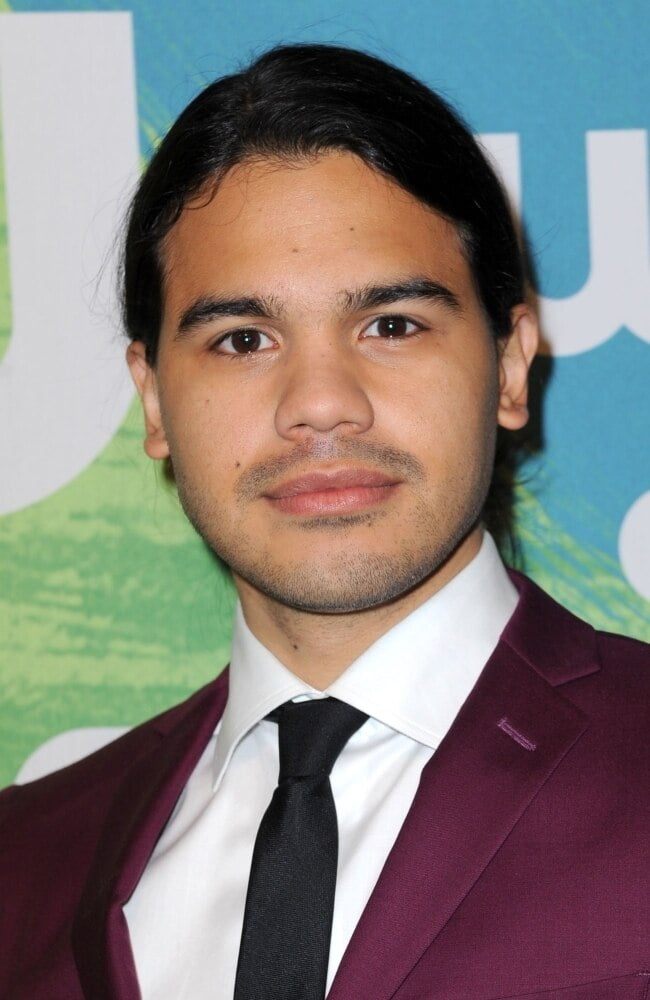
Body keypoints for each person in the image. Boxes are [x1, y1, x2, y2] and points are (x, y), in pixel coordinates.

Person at [1, 43, 649, 1000]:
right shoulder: (24, 860)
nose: (320, 402)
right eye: (243, 340)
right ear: (153, 402)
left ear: (511, 363)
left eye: (391, 324)